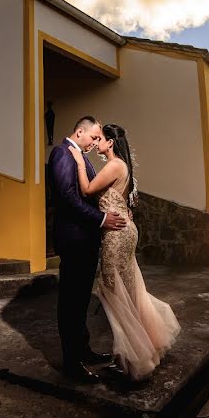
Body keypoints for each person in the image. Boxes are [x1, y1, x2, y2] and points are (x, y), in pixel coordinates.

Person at [68, 123, 180, 381]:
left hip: (117, 234)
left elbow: (87, 190)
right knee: (126, 290)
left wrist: (79, 161)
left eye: (101, 139)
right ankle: (132, 353)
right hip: (122, 229)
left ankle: (132, 356)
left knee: (112, 290)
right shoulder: (120, 165)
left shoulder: (115, 165)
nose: (97, 143)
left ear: (110, 142)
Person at [48, 116, 127, 383]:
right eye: (93, 137)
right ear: (79, 131)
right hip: (73, 240)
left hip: (87, 241)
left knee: (81, 301)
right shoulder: (61, 153)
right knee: (70, 302)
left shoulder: (82, 157)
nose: (95, 142)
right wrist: (102, 219)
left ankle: (83, 351)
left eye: (98, 139)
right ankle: (71, 363)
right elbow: (68, 198)